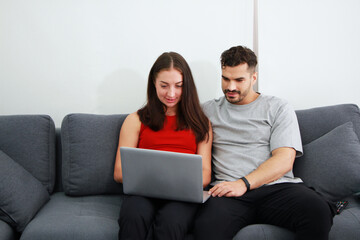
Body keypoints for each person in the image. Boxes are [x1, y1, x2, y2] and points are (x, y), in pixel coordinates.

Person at [194, 46, 336, 240]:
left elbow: (284, 159)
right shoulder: (207, 110)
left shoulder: (278, 107)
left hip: (275, 188)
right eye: (226, 78)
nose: (231, 87)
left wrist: (243, 183)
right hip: (228, 194)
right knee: (206, 229)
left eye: (239, 80)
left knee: (317, 210)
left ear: (253, 78)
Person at [113, 52, 213, 240]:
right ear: (154, 83)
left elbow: (205, 173)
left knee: (171, 222)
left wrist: (178, 185)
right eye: (164, 86)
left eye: (178, 86)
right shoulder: (135, 120)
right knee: (133, 217)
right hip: (142, 192)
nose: (171, 93)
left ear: (187, 86)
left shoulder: (201, 123)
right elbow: (119, 172)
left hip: (182, 196)